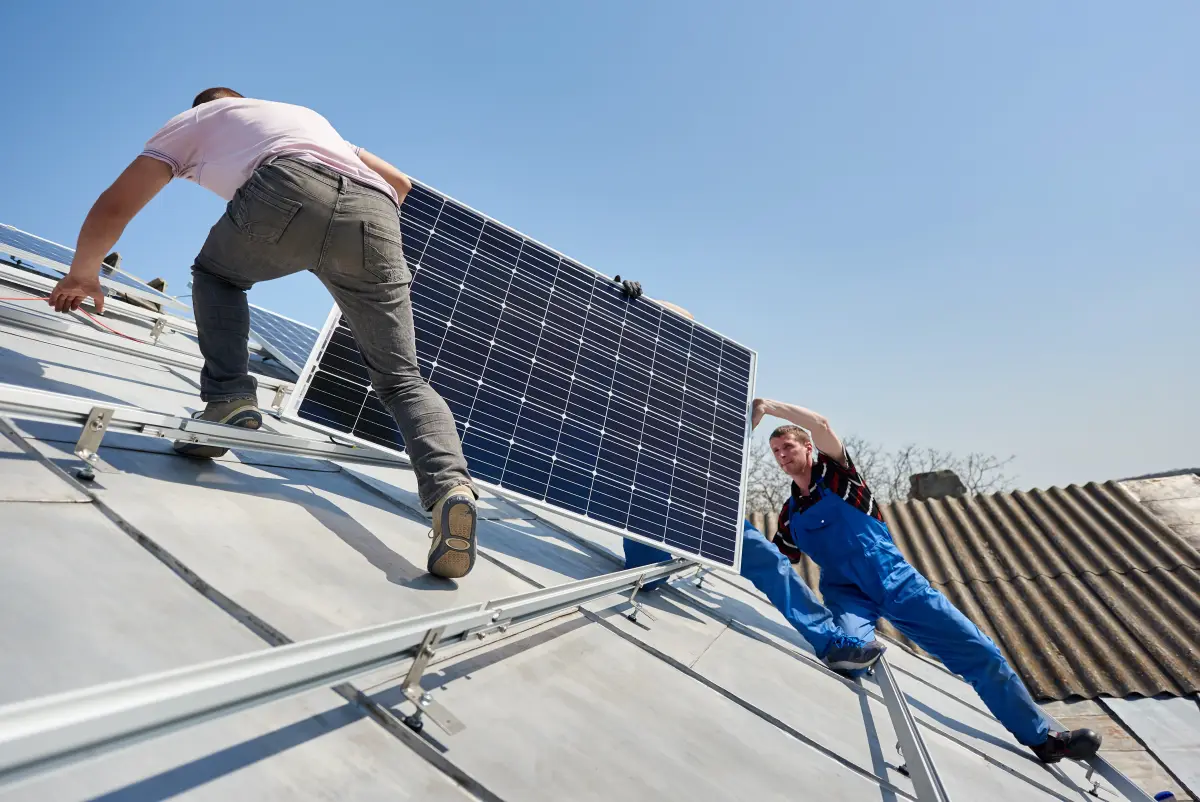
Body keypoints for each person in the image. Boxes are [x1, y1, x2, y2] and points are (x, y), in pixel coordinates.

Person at [47, 87, 479, 580]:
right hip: (376, 211)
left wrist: (83, 272)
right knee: (403, 379)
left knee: (218, 276)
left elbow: (117, 203)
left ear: (204, 105)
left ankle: (231, 398)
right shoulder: (304, 115)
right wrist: (354, 239)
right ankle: (451, 489)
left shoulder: (201, 118)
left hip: (288, 187)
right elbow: (399, 183)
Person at [748, 397, 1102, 764]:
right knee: (848, 654)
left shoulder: (840, 476)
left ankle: (1043, 739)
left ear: (807, 448)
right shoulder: (790, 515)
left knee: (979, 652)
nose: (782, 456)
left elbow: (820, 423)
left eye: (788, 446)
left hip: (896, 584)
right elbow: (778, 562)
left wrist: (768, 408)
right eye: (775, 452)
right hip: (847, 596)